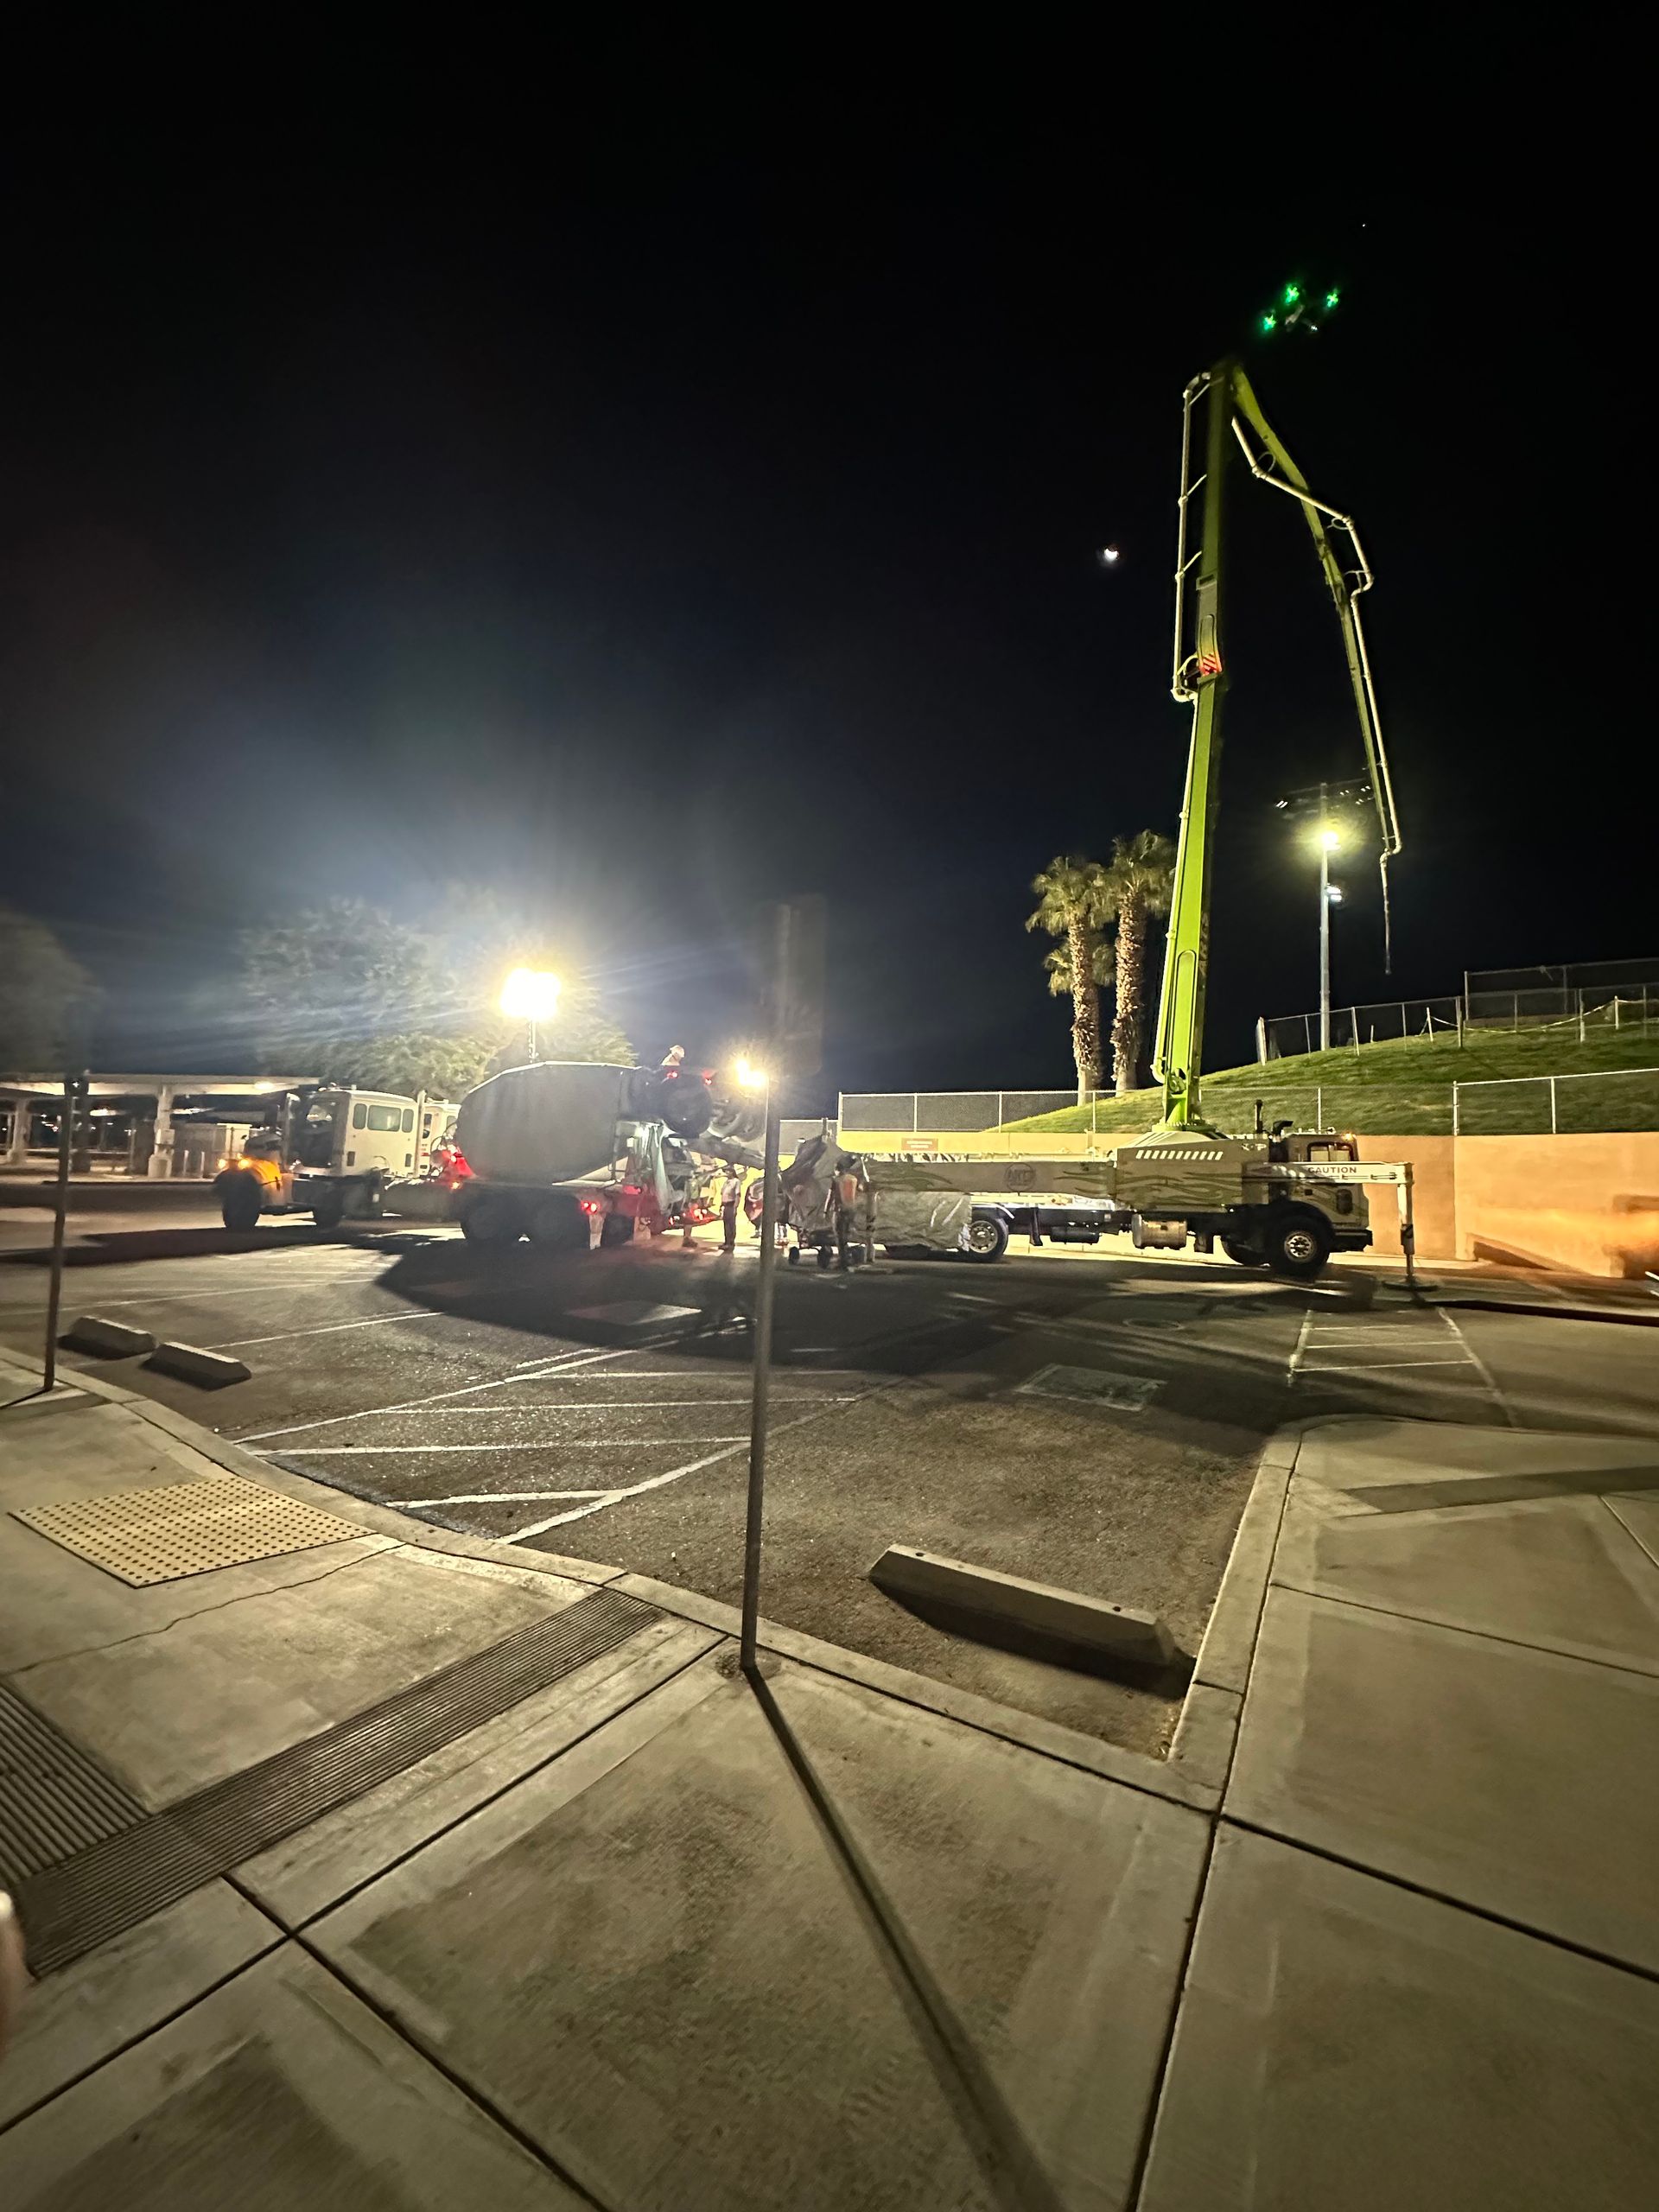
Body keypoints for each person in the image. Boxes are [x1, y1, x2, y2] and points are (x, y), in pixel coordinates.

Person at [831, 1158, 861, 1271]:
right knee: (847, 1235)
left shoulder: (836, 1180)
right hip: (852, 1210)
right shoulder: (853, 1179)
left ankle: (842, 1261)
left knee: (839, 1236)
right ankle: (847, 1259)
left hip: (840, 1210)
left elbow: (831, 1196)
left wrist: (825, 1211)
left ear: (837, 1169)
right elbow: (860, 1190)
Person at [720, 1167, 742, 1254]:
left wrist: (735, 1207)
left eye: (728, 1171)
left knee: (731, 1224)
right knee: (726, 1224)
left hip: (731, 1204)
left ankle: (731, 1242)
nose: (726, 1173)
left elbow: (738, 1195)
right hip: (725, 1204)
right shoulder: (726, 1182)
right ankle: (726, 1241)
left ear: (732, 1172)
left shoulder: (736, 1181)